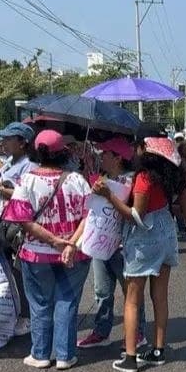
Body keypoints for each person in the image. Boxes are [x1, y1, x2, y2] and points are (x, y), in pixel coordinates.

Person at [95, 137, 186, 372]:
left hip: (143, 240)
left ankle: (130, 357)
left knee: (132, 298)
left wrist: (110, 196)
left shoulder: (144, 177)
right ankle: (158, 350)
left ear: (146, 153)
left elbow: (135, 216)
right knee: (160, 296)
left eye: (138, 147)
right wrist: (166, 209)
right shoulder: (177, 178)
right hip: (166, 235)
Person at [1, 130, 92, 370]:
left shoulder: (28, 180)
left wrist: (53, 242)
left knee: (40, 303)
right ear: (64, 152)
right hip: (75, 253)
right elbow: (89, 216)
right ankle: (65, 354)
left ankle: (40, 354)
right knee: (67, 301)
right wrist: (70, 243)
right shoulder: (77, 180)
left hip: (36, 254)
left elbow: (22, 219)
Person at [75, 137, 148, 349]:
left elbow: (134, 214)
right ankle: (101, 331)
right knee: (101, 291)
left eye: (105, 154)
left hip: (125, 247)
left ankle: (137, 333)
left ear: (117, 158)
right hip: (100, 244)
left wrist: (109, 196)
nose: (101, 157)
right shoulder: (101, 179)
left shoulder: (133, 181)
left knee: (131, 293)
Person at [0, 122, 38, 333]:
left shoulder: (29, 167)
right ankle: (19, 310)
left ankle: (28, 314)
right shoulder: (6, 164)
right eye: (3, 139)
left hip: (18, 228)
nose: (3, 143)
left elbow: (26, 198)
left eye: (8, 139)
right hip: (3, 225)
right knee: (9, 272)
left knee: (22, 271)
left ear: (22, 143)